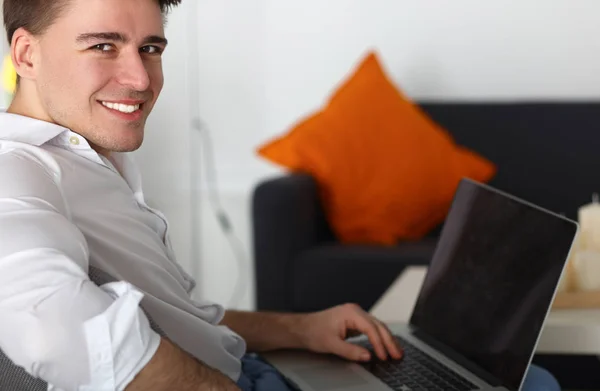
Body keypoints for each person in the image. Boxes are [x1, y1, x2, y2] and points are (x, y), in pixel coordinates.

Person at [0, 1, 561, 390]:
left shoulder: (87, 151)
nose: (142, 79)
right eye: (103, 45)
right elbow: (50, 325)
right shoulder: (17, 171)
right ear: (25, 54)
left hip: (247, 366)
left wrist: (301, 329)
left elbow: (176, 317)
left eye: (150, 47)